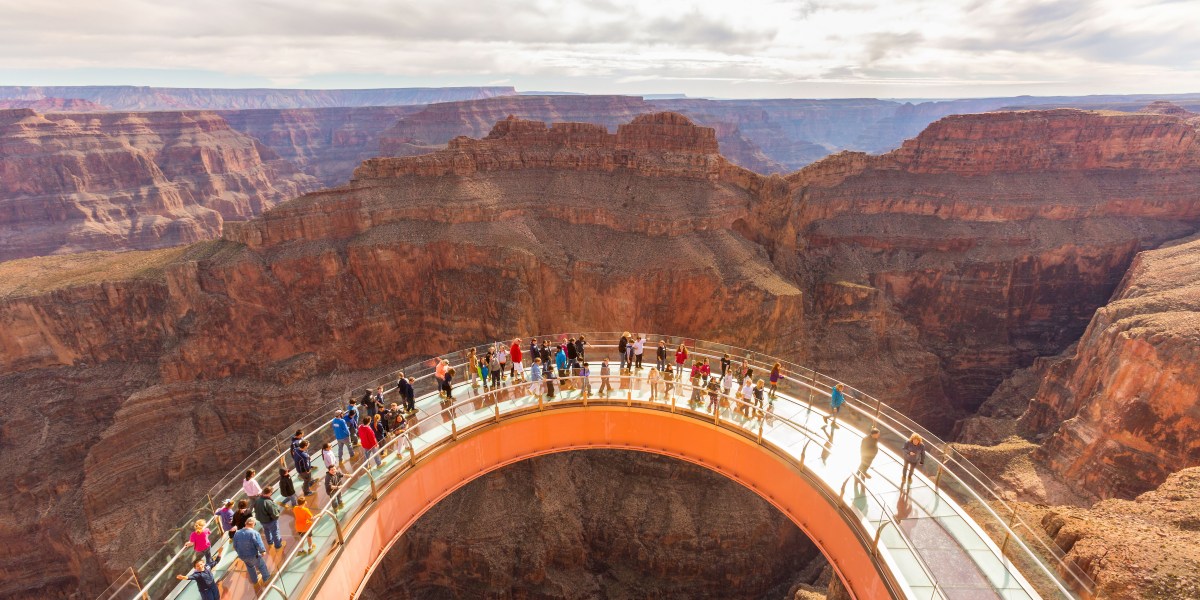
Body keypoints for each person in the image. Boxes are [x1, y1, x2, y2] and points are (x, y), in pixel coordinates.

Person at [232, 517, 270, 587]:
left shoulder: (237, 533)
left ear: (245, 523)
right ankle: (266, 579)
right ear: (253, 524)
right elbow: (258, 544)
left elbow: (234, 546)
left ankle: (255, 580)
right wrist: (263, 551)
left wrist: (240, 553)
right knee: (261, 566)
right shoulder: (254, 533)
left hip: (242, 556)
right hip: (253, 555)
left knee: (250, 567)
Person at [253, 486, 283, 551]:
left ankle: (270, 542)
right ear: (269, 492)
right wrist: (276, 516)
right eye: (271, 492)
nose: (271, 493)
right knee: (275, 532)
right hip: (270, 521)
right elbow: (274, 513)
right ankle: (278, 545)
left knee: (266, 531)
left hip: (262, 521)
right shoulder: (268, 502)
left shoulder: (257, 500)